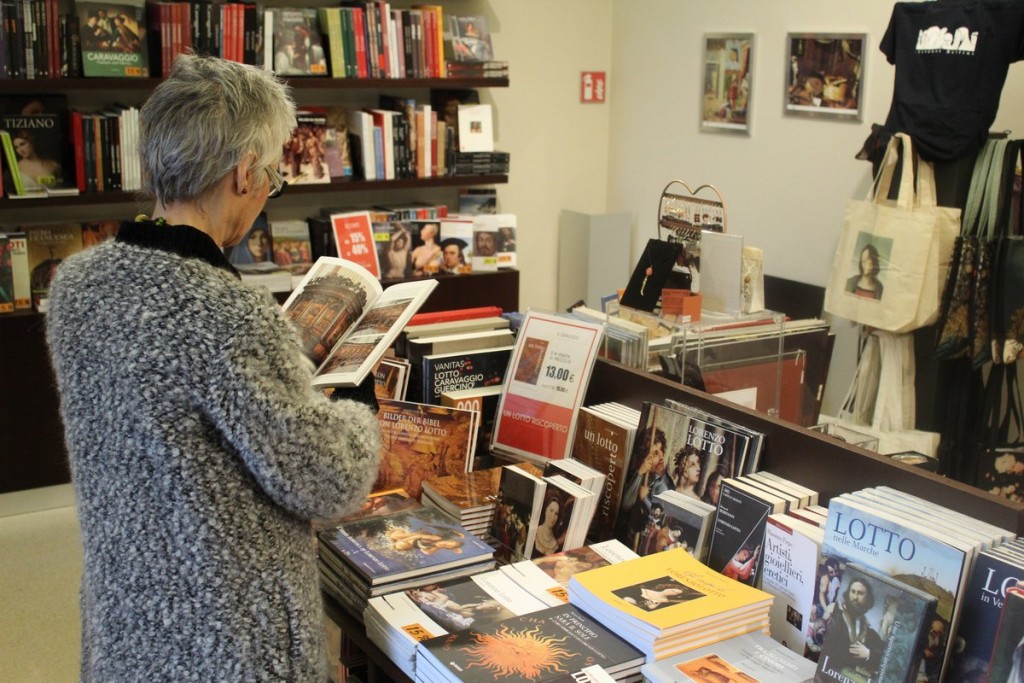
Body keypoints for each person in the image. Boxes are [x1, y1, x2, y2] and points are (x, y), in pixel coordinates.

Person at [44, 54, 382, 682]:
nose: (266, 191)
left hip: (127, 621)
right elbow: (325, 478)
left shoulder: (78, 285)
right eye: (272, 175)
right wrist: (359, 407)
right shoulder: (224, 312)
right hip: (224, 638)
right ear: (244, 172)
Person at [822, 577, 884, 678]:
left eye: (860, 593)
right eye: (853, 591)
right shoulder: (835, 615)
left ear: (868, 599)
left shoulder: (870, 634)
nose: (855, 597)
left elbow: (886, 656)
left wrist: (868, 653)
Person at [622, 426, 671, 551]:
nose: (661, 457)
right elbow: (626, 505)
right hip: (629, 543)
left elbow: (661, 516)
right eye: (655, 453)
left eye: (661, 450)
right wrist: (640, 474)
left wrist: (644, 498)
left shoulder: (664, 483)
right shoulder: (640, 476)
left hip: (650, 545)